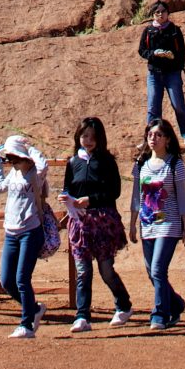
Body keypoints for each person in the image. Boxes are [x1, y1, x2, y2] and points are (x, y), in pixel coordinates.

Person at [61, 117, 132, 330]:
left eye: (92, 137)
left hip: (103, 221)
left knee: (106, 269)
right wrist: (67, 199)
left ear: (100, 138)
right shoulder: (73, 162)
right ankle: (82, 316)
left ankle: (123, 305)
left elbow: (114, 191)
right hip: (80, 222)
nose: (88, 141)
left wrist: (91, 200)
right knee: (83, 270)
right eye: (84, 136)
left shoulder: (107, 161)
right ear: (78, 137)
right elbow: (68, 189)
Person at [129, 120, 185, 330]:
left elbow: (182, 197)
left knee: (157, 269)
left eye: (158, 135)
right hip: (148, 224)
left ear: (168, 139)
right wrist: (132, 223)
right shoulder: (141, 164)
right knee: (151, 271)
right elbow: (136, 196)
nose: (153, 138)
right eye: (150, 134)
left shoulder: (175, 164)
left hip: (169, 223)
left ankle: (160, 314)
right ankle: (176, 303)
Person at [0, 135, 51, 337]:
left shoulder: (35, 174)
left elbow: (44, 165)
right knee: (7, 280)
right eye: (9, 159)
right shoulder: (14, 174)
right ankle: (34, 309)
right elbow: (0, 186)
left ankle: (26, 325)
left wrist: (29, 148)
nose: (12, 162)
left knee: (22, 279)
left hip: (30, 230)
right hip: (11, 231)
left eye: (14, 158)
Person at [137, 0, 185, 141]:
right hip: (154, 73)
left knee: (178, 104)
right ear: (153, 14)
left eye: (163, 11)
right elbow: (142, 50)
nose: (160, 14)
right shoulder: (149, 30)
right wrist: (154, 54)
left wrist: (173, 56)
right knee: (153, 107)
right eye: (157, 12)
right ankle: (151, 138)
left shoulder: (174, 30)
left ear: (168, 13)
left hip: (172, 72)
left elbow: (182, 50)